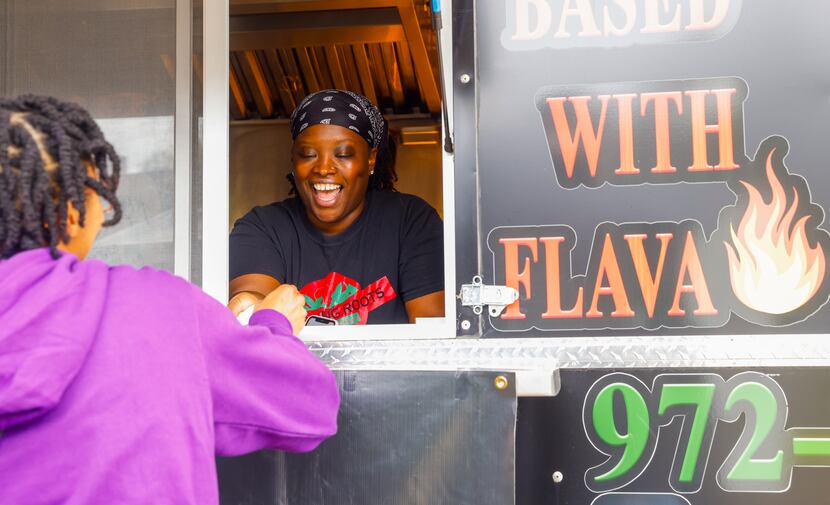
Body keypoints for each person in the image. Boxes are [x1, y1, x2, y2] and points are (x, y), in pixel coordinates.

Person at [0, 95, 339, 504]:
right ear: (73, 212)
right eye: (94, 189)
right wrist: (274, 326)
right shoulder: (154, 309)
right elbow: (307, 406)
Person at [229, 89, 444, 325]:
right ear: (294, 158)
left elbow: (433, 329)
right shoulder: (262, 227)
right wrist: (251, 306)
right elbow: (252, 310)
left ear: (370, 159)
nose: (323, 168)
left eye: (342, 155)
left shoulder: (411, 222)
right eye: (308, 154)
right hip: (289, 364)